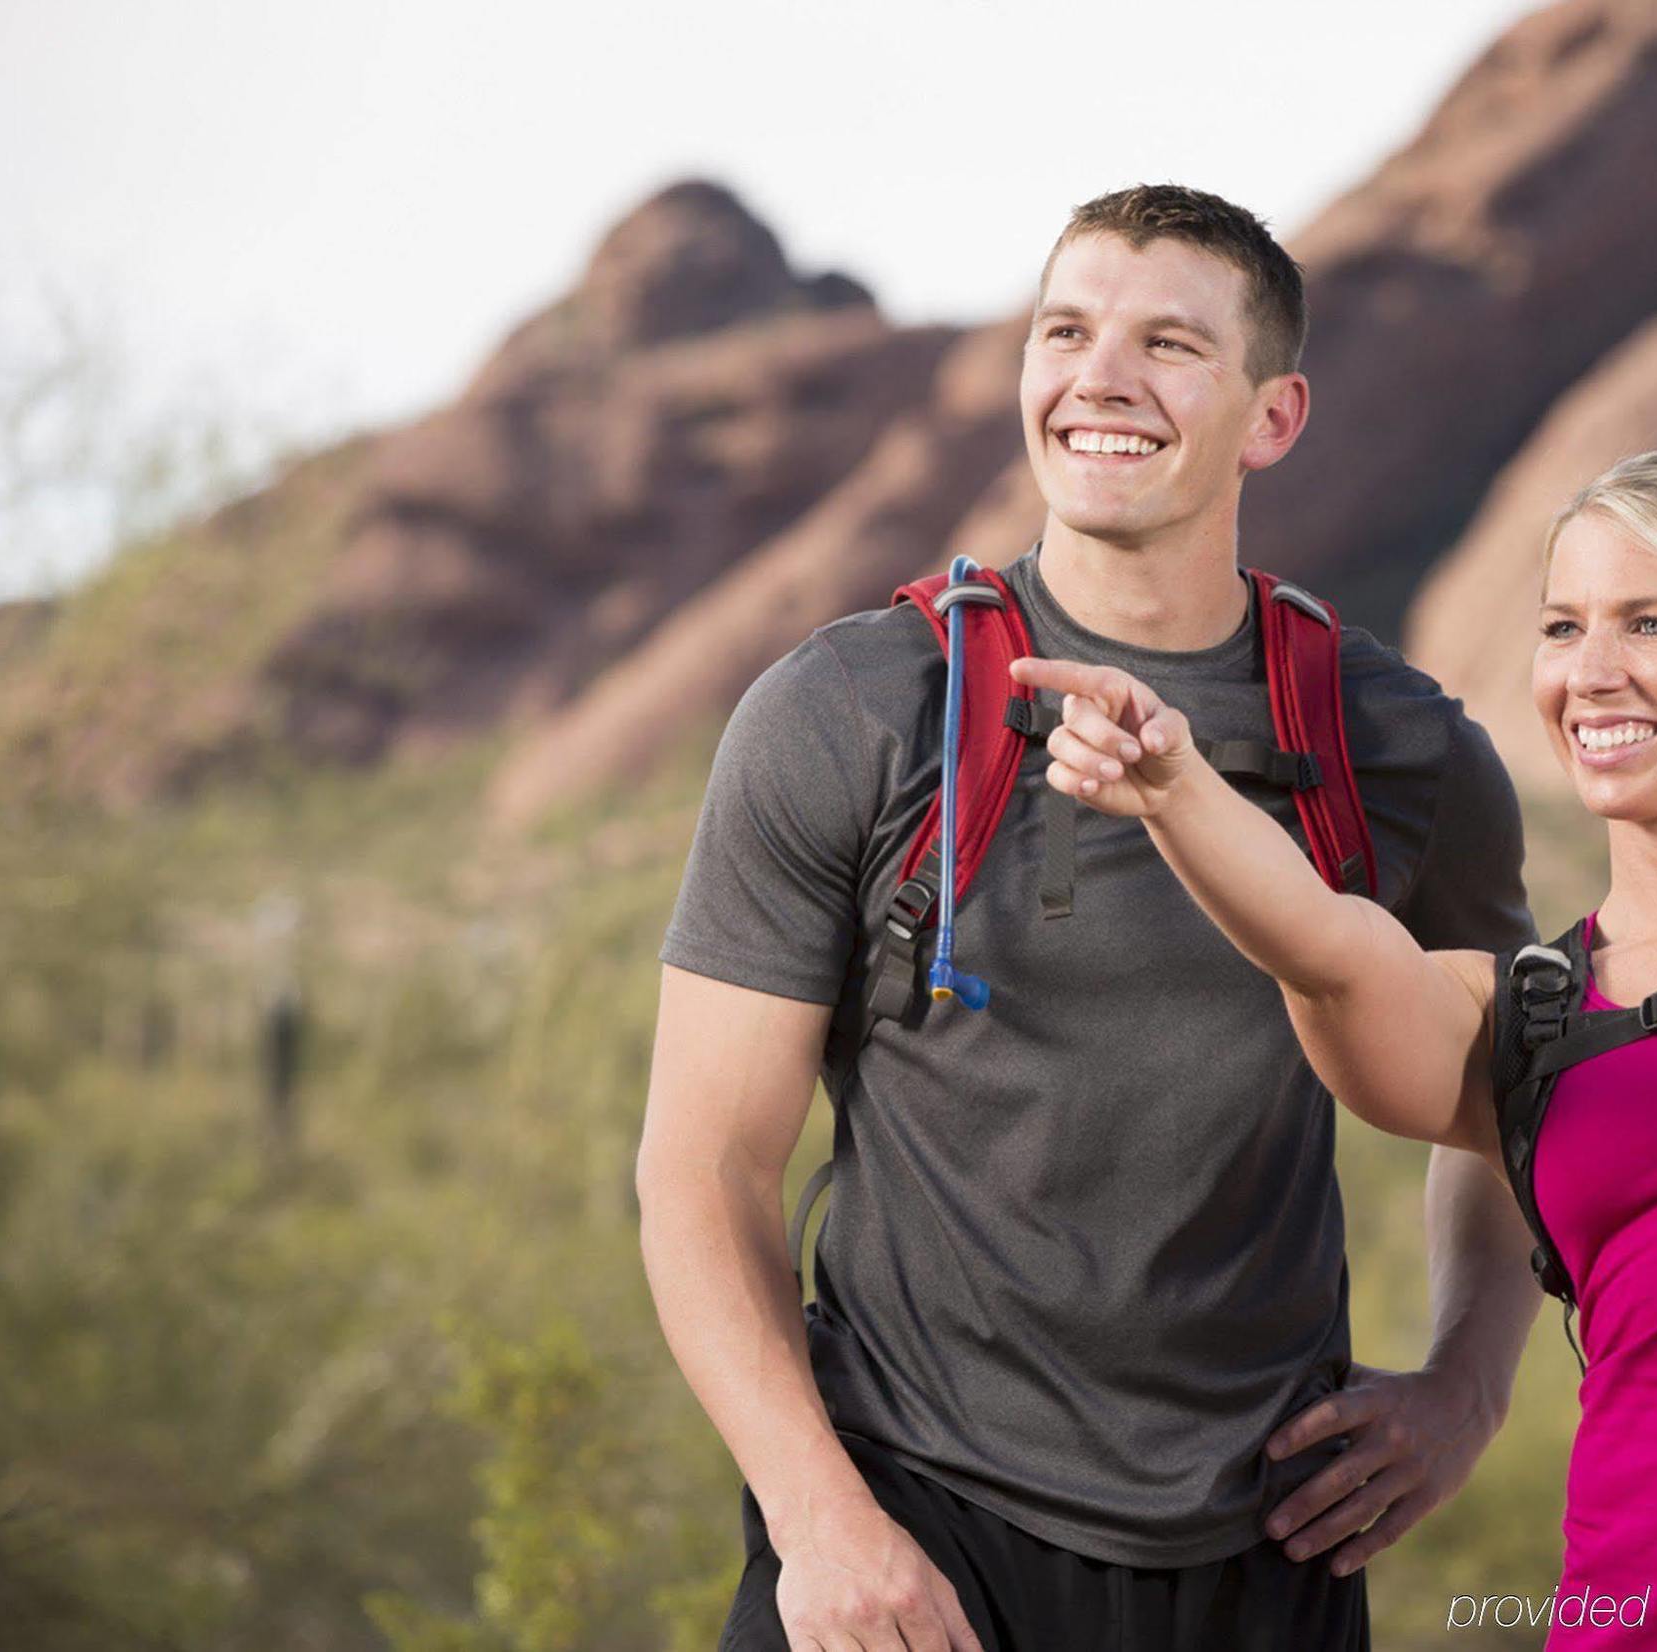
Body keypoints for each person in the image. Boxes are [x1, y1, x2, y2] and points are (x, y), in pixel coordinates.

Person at [637, 183, 1543, 1652]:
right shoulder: (857, 708)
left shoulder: (1401, 747)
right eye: (1066, 331)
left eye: (1170, 344)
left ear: (1274, 417)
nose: (1100, 378)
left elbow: (1507, 1100)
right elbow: (702, 1169)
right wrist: (820, 1525)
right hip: (910, 1547)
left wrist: (1467, 1386)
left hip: (1269, 1558)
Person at [1016, 447, 1657, 1647]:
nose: (1590, 671)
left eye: (1649, 622)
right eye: (1561, 625)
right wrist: (1175, 787)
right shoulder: (1517, 1015)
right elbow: (1328, 950)